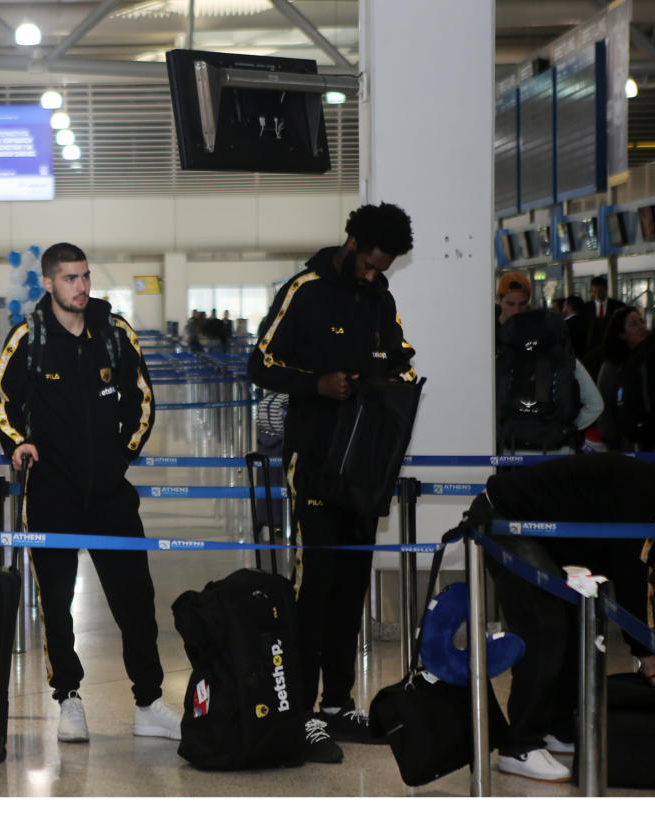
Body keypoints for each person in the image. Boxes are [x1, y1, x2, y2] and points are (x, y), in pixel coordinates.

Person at [0, 241, 181, 744]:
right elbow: (2, 402)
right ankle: (68, 698)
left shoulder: (114, 333)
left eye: (86, 277)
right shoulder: (28, 338)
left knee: (136, 598)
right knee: (56, 602)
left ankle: (148, 701)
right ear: (49, 282)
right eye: (70, 278)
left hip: (111, 495)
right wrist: (18, 442)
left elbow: (143, 400)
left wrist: (121, 457)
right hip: (51, 494)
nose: (81, 287)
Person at [248, 202, 415, 763]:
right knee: (313, 586)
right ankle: (299, 711)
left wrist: (394, 376)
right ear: (351, 242)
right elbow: (259, 362)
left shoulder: (381, 298)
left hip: (363, 466)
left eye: (383, 267)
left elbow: (401, 357)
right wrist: (315, 384)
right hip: (315, 461)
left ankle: (340, 703)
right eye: (369, 263)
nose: (374, 274)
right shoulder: (305, 290)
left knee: (350, 585)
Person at [448, 453, 655, 781]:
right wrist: (647, 653)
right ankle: (519, 745)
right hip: (506, 519)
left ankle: (557, 728)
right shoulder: (643, 495)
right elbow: (631, 574)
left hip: (548, 536)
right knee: (544, 628)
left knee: (577, 625)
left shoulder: (645, 494)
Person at [495, 272, 602, 454]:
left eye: (522, 304)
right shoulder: (558, 353)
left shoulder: (495, 351)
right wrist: (565, 428)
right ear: (499, 300)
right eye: (511, 304)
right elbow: (595, 404)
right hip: (554, 447)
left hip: (510, 448)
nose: (517, 311)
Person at [593, 306, 647, 451]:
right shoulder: (612, 366)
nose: (642, 327)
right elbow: (604, 405)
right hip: (623, 440)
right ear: (622, 334)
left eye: (642, 321)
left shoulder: (649, 359)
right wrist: (611, 439)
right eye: (634, 324)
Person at [579, 275, 626, 359]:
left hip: (612, 348)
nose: (597, 294)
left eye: (600, 291)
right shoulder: (585, 308)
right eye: (594, 291)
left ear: (606, 290)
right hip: (591, 349)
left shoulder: (618, 306)